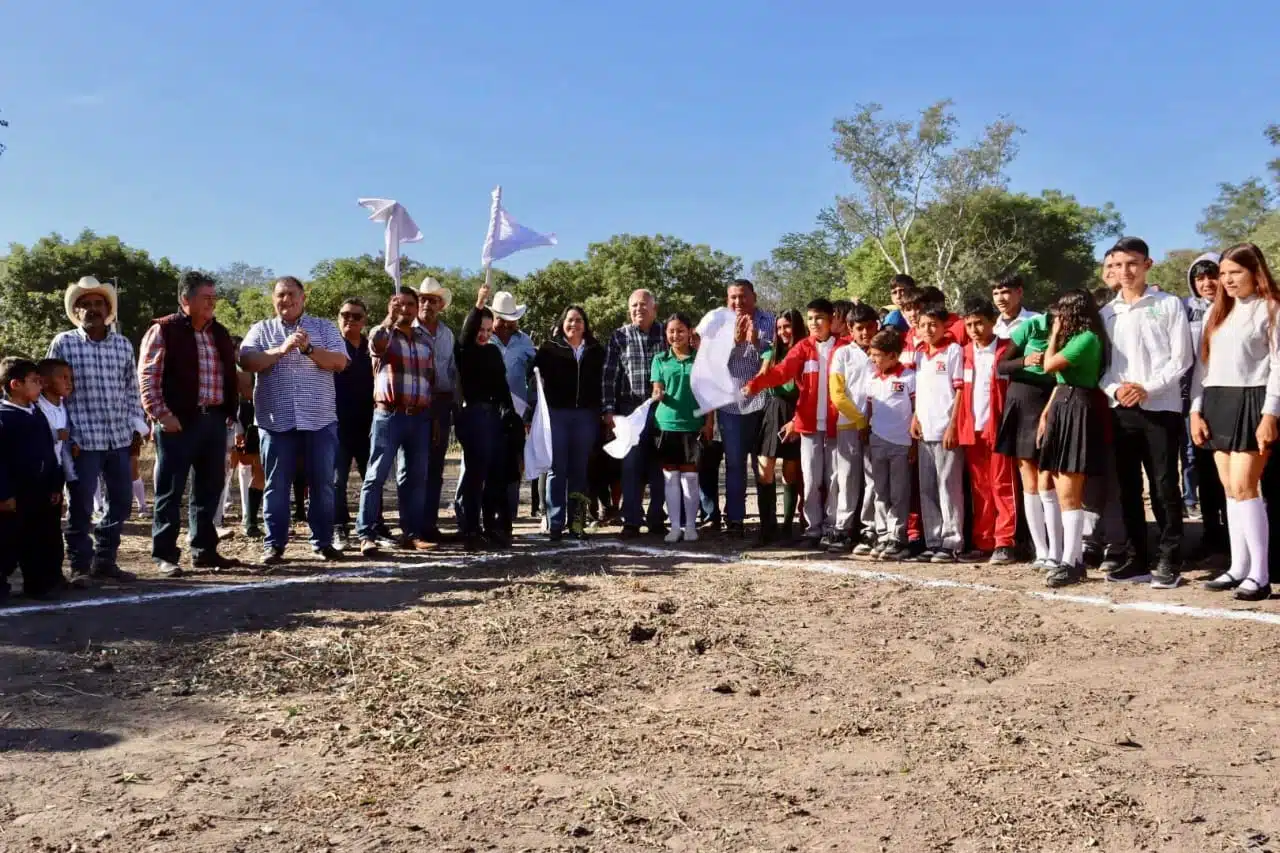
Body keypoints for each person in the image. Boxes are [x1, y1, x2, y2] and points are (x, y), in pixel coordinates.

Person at [1099, 237, 1194, 588]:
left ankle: (1170, 557)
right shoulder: (1107, 312)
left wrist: (1147, 388)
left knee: (1164, 485)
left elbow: (1181, 359)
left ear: (1147, 265)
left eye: (1133, 264)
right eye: (1119, 264)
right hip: (1121, 410)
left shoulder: (1168, 305)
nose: (1125, 271)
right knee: (1127, 487)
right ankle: (1137, 557)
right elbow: (1104, 367)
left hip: (1160, 408)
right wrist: (1115, 389)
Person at [239, 276, 350, 566]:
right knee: (276, 485)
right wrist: (280, 350)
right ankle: (274, 545)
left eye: (291, 295)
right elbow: (247, 361)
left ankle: (323, 542)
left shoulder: (324, 327)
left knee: (323, 484)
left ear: (303, 299)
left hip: (320, 421)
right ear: (273, 299)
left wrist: (310, 350)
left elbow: (340, 362)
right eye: (280, 295)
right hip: (276, 423)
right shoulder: (261, 329)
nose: (285, 300)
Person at [138, 270, 242, 577]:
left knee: (209, 489)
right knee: (171, 490)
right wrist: (160, 413)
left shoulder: (219, 333)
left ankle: (204, 550)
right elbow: (147, 376)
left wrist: (228, 414)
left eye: (214, 297)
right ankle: (165, 555)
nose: (212, 303)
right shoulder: (164, 330)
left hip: (213, 422)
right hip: (177, 422)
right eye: (205, 297)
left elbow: (229, 375)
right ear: (186, 299)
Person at [1191, 243, 1279, 600]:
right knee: (1230, 490)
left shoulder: (1270, 309)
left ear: (1254, 271)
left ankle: (1260, 574)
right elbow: (1202, 368)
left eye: (1234, 273)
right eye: (1222, 273)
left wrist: (1270, 413)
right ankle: (1238, 566)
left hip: (1253, 400)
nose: (1226, 280)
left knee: (1246, 487)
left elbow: (1278, 365)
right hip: (1217, 401)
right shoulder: (1217, 313)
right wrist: (1195, 411)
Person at [47, 276, 144, 585]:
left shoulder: (123, 344)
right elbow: (51, 389)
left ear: (108, 308)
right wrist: (63, 435)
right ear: (76, 311)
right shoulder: (64, 343)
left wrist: (135, 426)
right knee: (80, 505)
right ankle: (79, 565)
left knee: (121, 500)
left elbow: (132, 389)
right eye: (84, 305)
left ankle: (105, 559)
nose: (91, 309)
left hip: (118, 436)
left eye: (97, 303)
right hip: (81, 440)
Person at [744, 299, 862, 549]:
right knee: (810, 478)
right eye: (810, 319)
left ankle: (833, 528)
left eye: (819, 318)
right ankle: (812, 528)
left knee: (834, 479)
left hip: (836, 425)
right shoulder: (803, 348)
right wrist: (756, 384)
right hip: (808, 425)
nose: (814, 323)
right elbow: (782, 372)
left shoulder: (845, 348)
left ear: (832, 320)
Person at [1036, 290, 1109, 587]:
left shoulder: (1087, 338)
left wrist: (1053, 336)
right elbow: (1058, 381)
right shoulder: (1079, 338)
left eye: (1061, 316)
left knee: (1069, 489)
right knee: (1057, 481)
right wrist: (1047, 412)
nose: (1058, 321)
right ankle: (1070, 558)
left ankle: (1072, 561)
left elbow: (1048, 365)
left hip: (1077, 407)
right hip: (1064, 404)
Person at [356, 287, 436, 556]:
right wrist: (388, 319)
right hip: (389, 414)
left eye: (410, 304)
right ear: (391, 306)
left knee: (414, 478)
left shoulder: (426, 341)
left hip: (420, 417)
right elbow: (376, 344)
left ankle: (412, 533)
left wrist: (432, 417)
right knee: (376, 475)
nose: (406, 309)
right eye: (399, 304)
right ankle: (366, 533)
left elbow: (430, 380)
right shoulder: (384, 335)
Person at [451, 284, 516, 549]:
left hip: (494, 417)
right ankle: (470, 528)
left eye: (489, 331)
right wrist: (479, 303)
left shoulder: (493, 352)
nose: (484, 335)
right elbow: (467, 333)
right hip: (473, 415)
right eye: (481, 330)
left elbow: (502, 386)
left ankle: (493, 526)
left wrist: (509, 412)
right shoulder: (465, 350)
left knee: (495, 473)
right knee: (475, 475)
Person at [532, 305, 605, 540]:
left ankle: (576, 523)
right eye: (570, 320)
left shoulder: (595, 350)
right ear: (562, 323)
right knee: (556, 469)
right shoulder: (549, 349)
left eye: (579, 320)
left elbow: (604, 382)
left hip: (585, 416)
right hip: (556, 415)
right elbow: (532, 377)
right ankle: (555, 523)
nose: (574, 324)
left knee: (579, 471)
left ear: (585, 325)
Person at [955, 298, 1017, 565]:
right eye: (969, 324)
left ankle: (1005, 541)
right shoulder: (964, 353)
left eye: (979, 322)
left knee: (1003, 485)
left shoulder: (1007, 349)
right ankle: (983, 541)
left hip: (1000, 428)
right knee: (980, 487)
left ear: (992, 321)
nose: (974, 329)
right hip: (973, 429)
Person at [996, 305, 1059, 569]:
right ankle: (1040, 550)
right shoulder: (1031, 326)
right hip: (1021, 403)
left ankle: (1057, 550)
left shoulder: (1073, 332)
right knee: (1029, 479)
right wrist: (1026, 361)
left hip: (1051, 402)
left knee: (1049, 478)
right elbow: (1002, 366)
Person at [0, 358, 66, 602]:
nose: (41, 386)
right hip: (14, 497)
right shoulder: (4, 417)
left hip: (39, 493)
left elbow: (50, 453)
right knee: (7, 543)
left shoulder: (37, 414)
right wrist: (4, 494)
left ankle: (38, 584)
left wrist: (55, 484)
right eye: (35, 381)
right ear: (16, 384)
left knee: (38, 541)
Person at [713, 279, 775, 538]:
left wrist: (756, 342)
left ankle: (768, 520)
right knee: (735, 464)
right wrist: (734, 342)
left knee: (762, 464)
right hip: (731, 405)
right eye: (733, 297)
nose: (738, 302)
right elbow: (711, 362)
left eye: (743, 296)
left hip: (763, 403)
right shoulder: (718, 324)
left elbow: (774, 355)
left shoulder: (769, 321)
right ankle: (735, 519)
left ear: (754, 296)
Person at [602, 289, 666, 538]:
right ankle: (631, 520)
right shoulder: (619, 336)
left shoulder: (666, 333)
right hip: (629, 411)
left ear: (654, 308)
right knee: (630, 467)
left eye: (643, 305)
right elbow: (609, 375)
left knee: (658, 466)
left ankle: (657, 518)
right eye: (634, 306)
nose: (638, 309)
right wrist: (608, 409)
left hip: (661, 409)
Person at [909, 307, 965, 562]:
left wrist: (954, 425)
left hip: (945, 430)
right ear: (917, 329)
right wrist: (915, 417)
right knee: (927, 488)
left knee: (948, 487)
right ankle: (932, 540)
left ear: (943, 327)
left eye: (934, 324)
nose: (929, 330)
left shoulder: (953, 351)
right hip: (924, 431)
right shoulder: (919, 356)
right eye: (923, 325)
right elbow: (920, 392)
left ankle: (952, 540)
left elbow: (960, 391)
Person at [650, 313, 711, 543]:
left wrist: (708, 423)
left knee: (691, 478)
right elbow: (657, 388)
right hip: (665, 425)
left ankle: (691, 526)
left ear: (689, 332)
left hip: (692, 425)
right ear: (666, 334)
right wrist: (658, 394)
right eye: (671, 331)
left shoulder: (700, 360)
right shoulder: (660, 359)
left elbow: (708, 396)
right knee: (671, 478)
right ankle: (674, 527)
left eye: (680, 331)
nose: (675, 335)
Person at [1183, 254, 1228, 558]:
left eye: (1212, 275)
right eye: (1200, 278)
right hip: (1194, 401)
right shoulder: (1185, 311)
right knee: (1200, 465)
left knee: (1233, 473)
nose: (1207, 283)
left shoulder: (1237, 309)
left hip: (1232, 399)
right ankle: (1212, 532)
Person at [862, 328, 915, 560]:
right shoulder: (872, 379)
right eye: (871, 355)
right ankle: (882, 534)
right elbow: (870, 410)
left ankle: (898, 536)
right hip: (877, 442)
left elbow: (916, 411)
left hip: (902, 444)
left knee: (899, 492)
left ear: (893, 356)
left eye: (878, 355)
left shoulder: (909, 377)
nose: (873, 360)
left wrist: (913, 443)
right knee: (880, 491)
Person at [754, 308, 805, 544]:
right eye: (779, 327)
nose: (783, 331)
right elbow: (764, 373)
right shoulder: (770, 352)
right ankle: (767, 528)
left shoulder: (805, 351)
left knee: (791, 472)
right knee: (764, 469)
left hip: (797, 410)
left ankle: (787, 527)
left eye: (787, 326)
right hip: (773, 410)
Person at [412, 277, 457, 541]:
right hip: (415, 403)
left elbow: (451, 370)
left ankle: (429, 524)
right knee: (414, 466)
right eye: (424, 299)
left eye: (433, 300)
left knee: (436, 467)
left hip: (440, 404)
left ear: (441, 305)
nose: (427, 304)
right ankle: (413, 526)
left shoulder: (447, 334)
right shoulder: (406, 329)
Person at [488, 290, 537, 525]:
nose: (508, 324)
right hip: (488, 410)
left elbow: (536, 372)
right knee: (484, 462)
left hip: (516, 413)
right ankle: (478, 514)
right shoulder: (484, 338)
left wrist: (533, 403)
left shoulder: (525, 341)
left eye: (512, 319)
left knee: (513, 463)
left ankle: (509, 515)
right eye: (503, 319)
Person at [333, 298, 374, 550]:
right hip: (337, 424)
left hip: (369, 424)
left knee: (371, 478)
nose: (350, 320)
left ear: (364, 320)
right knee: (337, 480)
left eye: (356, 316)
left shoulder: (373, 347)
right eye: (345, 315)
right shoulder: (330, 347)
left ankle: (371, 526)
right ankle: (339, 528)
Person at [843, 304, 883, 556]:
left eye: (870, 327)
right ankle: (843, 527)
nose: (866, 332)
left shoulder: (886, 351)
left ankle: (871, 528)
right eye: (860, 328)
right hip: (849, 423)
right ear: (850, 330)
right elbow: (837, 392)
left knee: (874, 478)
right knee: (847, 477)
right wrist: (858, 420)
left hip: (880, 424)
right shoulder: (843, 354)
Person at [230, 352, 264, 539]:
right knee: (255, 471)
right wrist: (238, 430)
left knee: (267, 473)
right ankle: (249, 521)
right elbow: (238, 399)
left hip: (272, 418)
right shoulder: (240, 372)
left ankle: (266, 519)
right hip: (250, 420)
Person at [36, 359, 78, 486]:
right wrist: (54, 434)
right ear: (44, 382)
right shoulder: (36, 407)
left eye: (70, 378)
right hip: (38, 471)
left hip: (56, 469)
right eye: (63, 378)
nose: (69, 383)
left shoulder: (64, 408)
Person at [992, 275, 1039, 339]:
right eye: (995, 294)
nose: (1000, 299)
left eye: (1005, 292)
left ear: (1019, 292)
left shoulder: (1035, 321)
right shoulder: (992, 328)